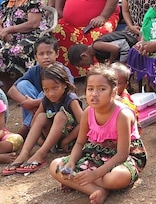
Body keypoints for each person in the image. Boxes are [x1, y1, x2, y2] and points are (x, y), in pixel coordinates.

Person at [50, 64, 147, 202]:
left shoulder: (122, 115)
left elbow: (122, 154)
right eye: (90, 89)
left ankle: (83, 182)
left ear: (113, 92)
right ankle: (97, 190)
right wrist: (71, 163)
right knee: (56, 166)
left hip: (122, 156)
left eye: (101, 89)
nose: (94, 94)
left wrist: (94, 175)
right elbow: (80, 142)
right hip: (96, 153)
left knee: (115, 178)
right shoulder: (88, 113)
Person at [3, 64, 83, 175]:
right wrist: (39, 138)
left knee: (60, 115)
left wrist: (67, 140)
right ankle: (24, 154)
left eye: (55, 88)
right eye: (46, 89)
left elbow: (85, 124)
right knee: (41, 116)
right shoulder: (46, 99)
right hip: (51, 140)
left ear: (65, 85)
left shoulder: (71, 99)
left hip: (69, 141)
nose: (51, 93)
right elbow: (34, 122)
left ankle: (41, 154)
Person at [6, 35, 73, 137]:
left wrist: (34, 102)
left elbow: (68, 94)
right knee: (22, 85)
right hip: (39, 109)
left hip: (57, 111)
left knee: (46, 91)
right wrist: (27, 103)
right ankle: (33, 126)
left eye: (49, 53)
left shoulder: (62, 71)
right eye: (41, 54)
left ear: (57, 54)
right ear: (36, 57)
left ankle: (26, 129)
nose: (45, 57)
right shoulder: (35, 70)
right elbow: (11, 91)